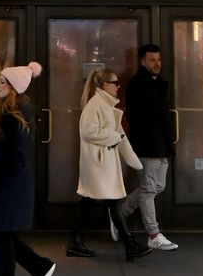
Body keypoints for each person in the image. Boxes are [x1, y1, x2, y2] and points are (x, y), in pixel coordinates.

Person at [0, 62, 56, 276]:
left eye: (2, 82)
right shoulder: (15, 112)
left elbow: (15, 156)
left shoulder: (14, 115)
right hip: (10, 185)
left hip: (8, 187)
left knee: (1, 235)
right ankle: (39, 267)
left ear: (14, 86)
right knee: (3, 234)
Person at [70, 67, 148, 261]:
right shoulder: (96, 105)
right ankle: (129, 245)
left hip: (101, 162)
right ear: (104, 85)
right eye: (115, 83)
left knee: (91, 200)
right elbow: (89, 132)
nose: (118, 86)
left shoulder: (104, 105)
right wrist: (114, 137)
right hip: (98, 163)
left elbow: (120, 137)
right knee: (111, 202)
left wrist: (133, 162)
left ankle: (76, 242)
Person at [119, 44, 178, 252]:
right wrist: (149, 140)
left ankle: (120, 212)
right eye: (152, 60)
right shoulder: (138, 84)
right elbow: (138, 118)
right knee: (149, 190)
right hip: (148, 145)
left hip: (161, 144)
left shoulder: (158, 82)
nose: (157, 64)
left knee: (156, 187)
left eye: (159, 60)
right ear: (143, 61)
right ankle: (153, 234)